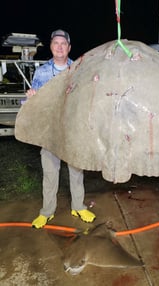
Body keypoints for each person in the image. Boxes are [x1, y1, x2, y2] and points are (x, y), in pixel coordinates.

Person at [26, 29, 96, 229]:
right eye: (56, 43)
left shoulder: (78, 69)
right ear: (51, 47)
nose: (59, 46)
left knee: (76, 171)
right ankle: (47, 211)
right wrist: (31, 98)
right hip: (50, 132)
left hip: (72, 130)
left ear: (69, 47)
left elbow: (85, 97)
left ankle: (78, 206)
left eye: (63, 43)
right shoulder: (41, 72)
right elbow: (36, 104)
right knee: (50, 171)